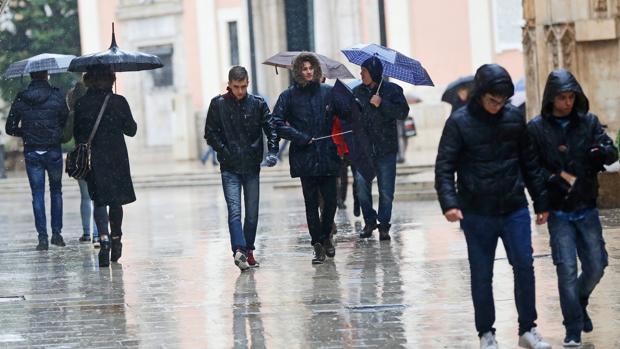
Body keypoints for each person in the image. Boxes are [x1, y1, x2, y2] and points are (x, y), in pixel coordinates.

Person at [435, 64, 552, 349]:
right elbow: (445, 166)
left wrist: (540, 200)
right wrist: (450, 203)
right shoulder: (459, 122)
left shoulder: (514, 117)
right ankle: (486, 333)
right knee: (481, 274)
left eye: (502, 101)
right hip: (476, 211)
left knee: (524, 266)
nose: (497, 107)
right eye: (492, 101)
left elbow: (529, 161)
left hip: (513, 206)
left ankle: (528, 330)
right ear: (480, 95)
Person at [527, 69, 618, 347]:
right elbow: (531, 169)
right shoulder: (536, 128)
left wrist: (598, 152)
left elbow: (610, 151)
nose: (566, 103)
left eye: (570, 97)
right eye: (561, 98)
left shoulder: (588, 122)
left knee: (596, 265)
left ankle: (579, 300)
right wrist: (551, 185)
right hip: (558, 210)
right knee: (565, 268)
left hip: (586, 205)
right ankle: (573, 329)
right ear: (551, 99)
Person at [205, 65, 279, 271]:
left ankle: (248, 250)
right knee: (235, 211)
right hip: (229, 166)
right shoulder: (218, 104)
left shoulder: (257, 104)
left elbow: (271, 128)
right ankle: (239, 250)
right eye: (236, 87)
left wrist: (273, 151)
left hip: (251, 165)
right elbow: (210, 133)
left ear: (248, 84)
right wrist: (224, 150)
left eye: (243, 87)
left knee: (253, 213)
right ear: (228, 84)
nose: (240, 91)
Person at [272, 52, 341, 264]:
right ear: (298, 71)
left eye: (311, 68)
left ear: (316, 70)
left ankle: (326, 234)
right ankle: (318, 244)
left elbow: (345, 114)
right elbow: (276, 122)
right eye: (304, 68)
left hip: (327, 154)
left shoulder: (329, 93)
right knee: (311, 203)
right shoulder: (289, 96)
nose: (308, 71)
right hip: (305, 157)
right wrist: (301, 137)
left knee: (330, 200)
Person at [74, 65, 137, 267]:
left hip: (95, 158)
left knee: (98, 199)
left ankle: (103, 239)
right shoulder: (118, 102)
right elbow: (132, 130)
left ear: (89, 80)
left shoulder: (82, 103)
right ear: (111, 80)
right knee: (115, 200)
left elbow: (78, 135)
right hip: (117, 157)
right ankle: (116, 238)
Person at [5, 70, 68, 250]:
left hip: (32, 152)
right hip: (53, 150)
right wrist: (53, 132)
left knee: (37, 195)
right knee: (56, 191)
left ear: (31, 76)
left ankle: (42, 238)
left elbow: (10, 127)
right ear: (46, 74)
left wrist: (26, 134)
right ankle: (57, 234)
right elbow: (64, 120)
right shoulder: (57, 95)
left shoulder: (21, 97)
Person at [352, 57, 409, 241]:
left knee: (386, 191)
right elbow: (350, 116)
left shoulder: (392, 90)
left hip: (386, 148)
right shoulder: (357, 92)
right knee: (361, 185)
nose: (361, 74)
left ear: (374, 73)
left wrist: (382, 103)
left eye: (364, 71)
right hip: (365, 149)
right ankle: (370, 220)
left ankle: (384, 226)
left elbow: (402, 113)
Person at [64, 77, 100, 247]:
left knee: (85, 197)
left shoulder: (74, 112)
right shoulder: (97, 108)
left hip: (81, 157)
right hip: (98, 155)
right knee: (98, 197)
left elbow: (65, 137)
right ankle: (98, 233)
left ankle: (87, 233)